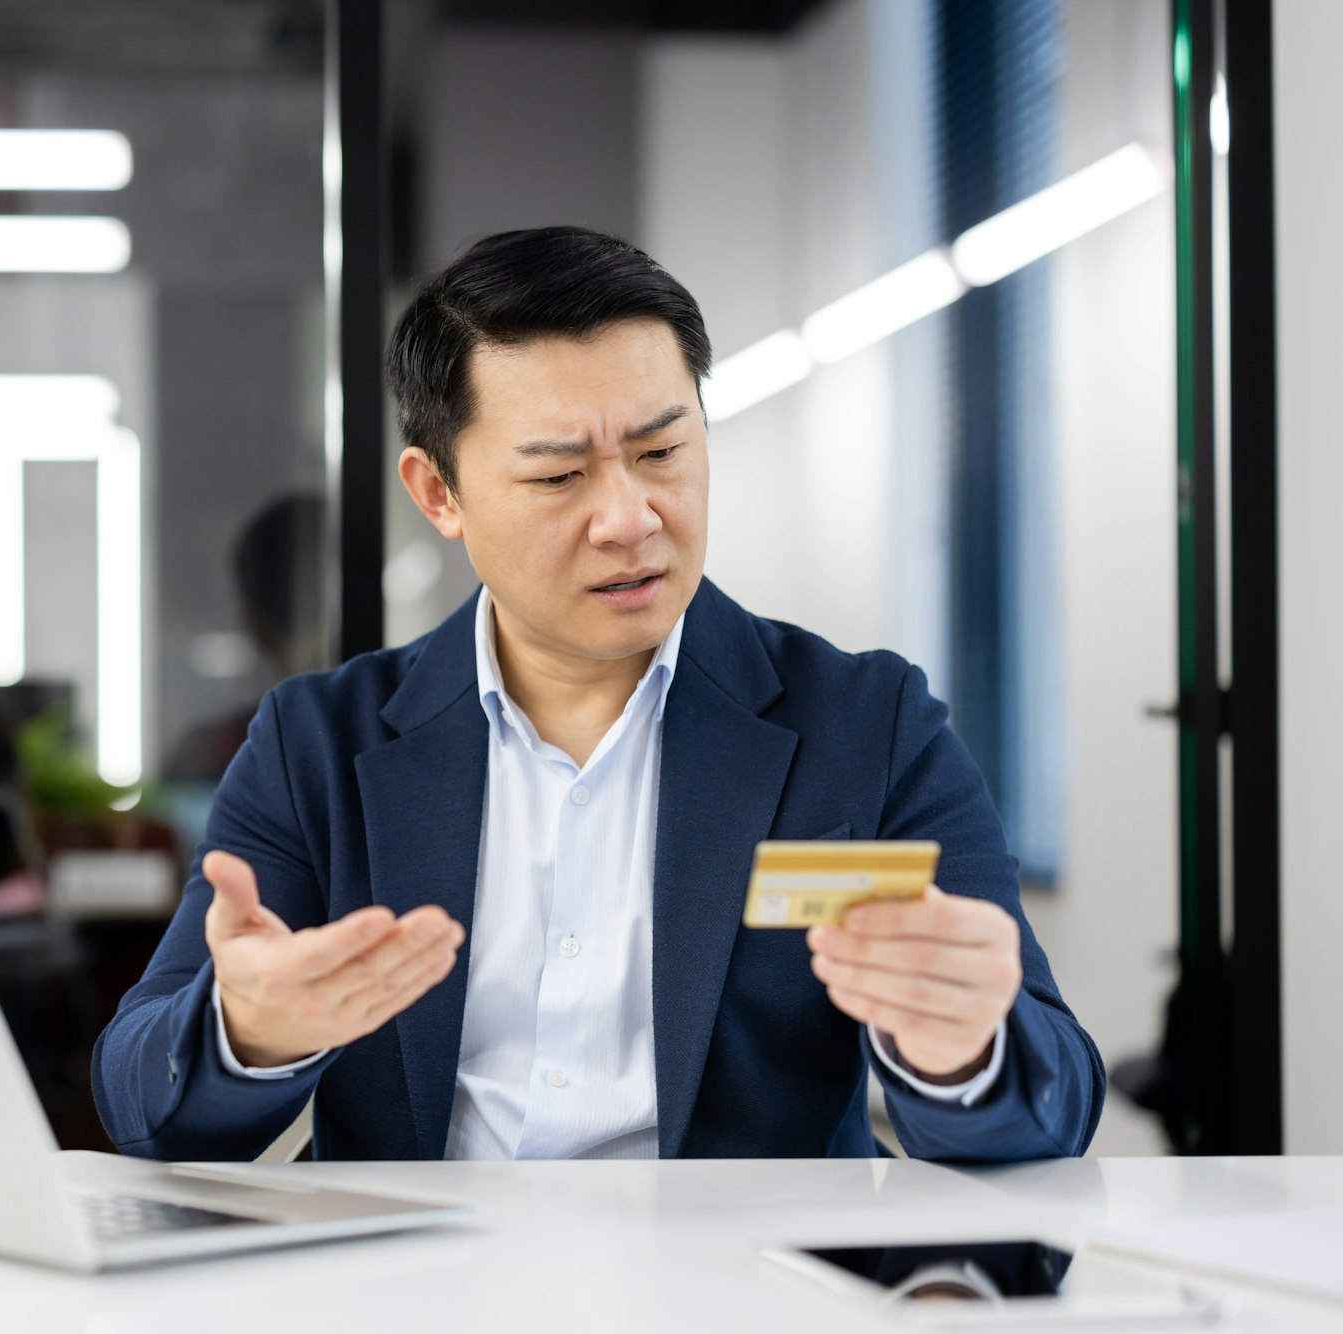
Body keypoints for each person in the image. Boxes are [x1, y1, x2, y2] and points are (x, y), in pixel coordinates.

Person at [92, 226, 1103, 1162]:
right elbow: (141, 1101)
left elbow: (1052, 1102)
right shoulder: (318, 742)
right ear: (437, 492)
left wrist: (961, 1044)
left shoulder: (863, 724)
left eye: (661, 452)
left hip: (739, 1288)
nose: (628, 518)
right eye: (558, 475)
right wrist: (249, 1029)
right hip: (414, 1290)